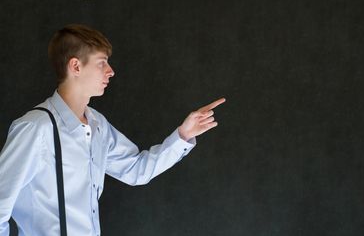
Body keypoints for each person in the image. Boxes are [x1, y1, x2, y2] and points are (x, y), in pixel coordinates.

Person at [0, 24, 225, 236]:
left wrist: (183, 135)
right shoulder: (36, 128)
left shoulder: (98, 125)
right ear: (76, 66)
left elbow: (137, 170)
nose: (111, 71)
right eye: (102, 63)